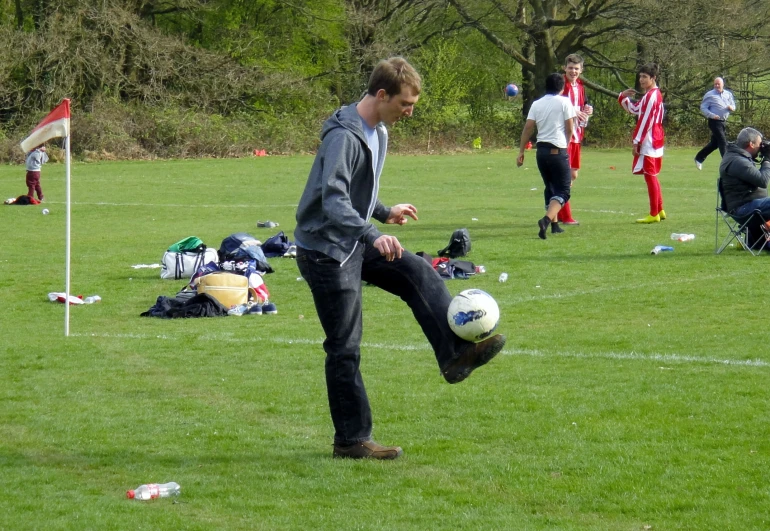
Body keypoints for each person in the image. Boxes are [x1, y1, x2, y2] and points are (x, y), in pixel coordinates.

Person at [294, 57, 506, 460]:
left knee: (417, 271)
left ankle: (455, 355)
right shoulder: (343, 136)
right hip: (326, 251)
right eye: (405, 103)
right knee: (344, 346)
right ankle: (351, 441)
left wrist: (383, 211)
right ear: (381, 94)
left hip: (354, 238)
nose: (409, 111)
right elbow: (333, 198)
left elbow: (359, 192)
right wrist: (374, 232)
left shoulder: (379, 132)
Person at [517, 72, 576, 239]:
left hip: (541, 151)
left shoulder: (537, 104)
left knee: (550, 187)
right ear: (562, 87)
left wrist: (521, 151)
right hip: (557, 150)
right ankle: (546, 220)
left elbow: (528, 128)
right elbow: (570, 128)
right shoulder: (565, 102)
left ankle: (555, 225)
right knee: (564, 190)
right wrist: (567, 143)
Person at [618, 63, 666, 223]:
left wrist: (636, 142)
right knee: (652, 175)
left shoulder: (652, 96)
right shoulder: (651, 94)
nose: (641, 79)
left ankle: (654, 213)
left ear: (653, 78)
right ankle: (659, 209)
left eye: (645, 77)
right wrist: (622, 97)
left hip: (650, 139)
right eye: (640, 76)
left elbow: (646, 121)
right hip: (655, 137)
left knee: (650, 175)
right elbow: (635, 108)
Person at [557, 53, 593, 228]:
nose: (573, 71)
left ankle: (557, 208)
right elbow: (558, 105)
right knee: (566, 176)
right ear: (565, 68)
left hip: (577, 135)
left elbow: (582, 105)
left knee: (573, 175)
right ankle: (565, 214)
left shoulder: (580, 85)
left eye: (576, 68)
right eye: (570, 68)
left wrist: (587, 109)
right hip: (565, 136)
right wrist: (573, 111)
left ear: (581, 70)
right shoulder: (561, 85)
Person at [719, 127, 770, 240]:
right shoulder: (737, 161)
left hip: (748, 205)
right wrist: (767, 159)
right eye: (760, 144)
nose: (761, 147)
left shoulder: (736, 157)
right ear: (751, 144)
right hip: (744, 209)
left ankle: (757, 238)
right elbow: (762, 181)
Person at [694, 77, 736, 170]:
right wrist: (712, 115)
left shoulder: (728, 94)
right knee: (722, 140)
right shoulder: (709, 95)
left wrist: (732, 108)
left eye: (718, 84)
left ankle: (699, 158)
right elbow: (703, 108)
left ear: (723, 84)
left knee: (715, 144)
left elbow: (733, 105)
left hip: (723, 122)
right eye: (715, 84)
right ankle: (727, 164)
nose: (717, 86)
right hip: (714, 121)